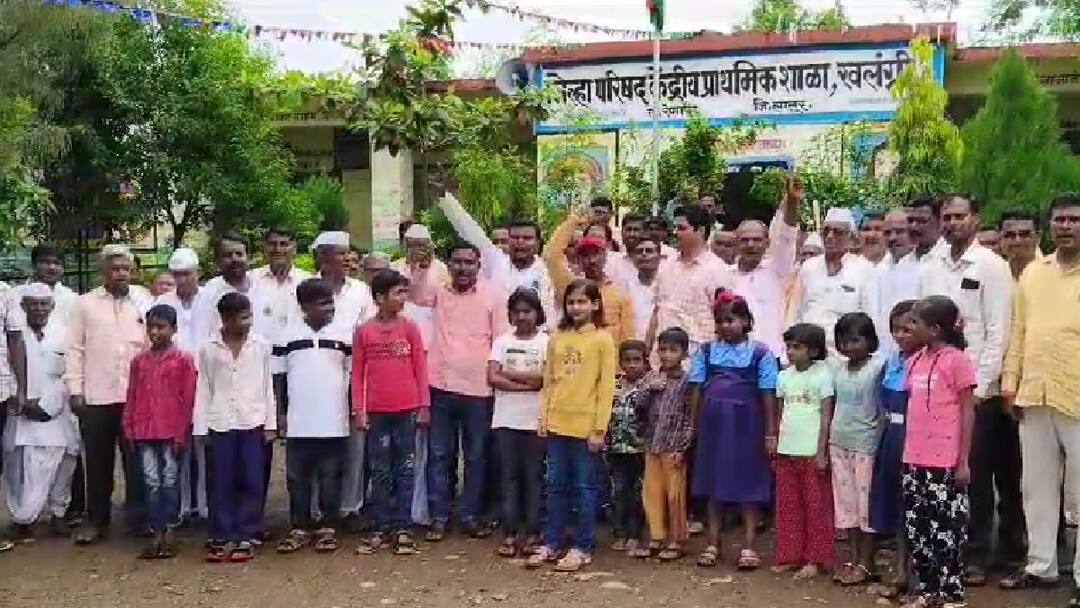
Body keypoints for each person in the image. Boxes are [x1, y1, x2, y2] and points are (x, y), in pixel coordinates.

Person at [918, 194, 1018, 584]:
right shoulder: (932, 265)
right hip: (935, 386)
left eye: (960, 216)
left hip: (976, 389)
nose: (952, 223)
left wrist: (980, 389)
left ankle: (977, 554)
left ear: (976, 219)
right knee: (939, 471)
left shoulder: (991, 266)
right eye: (947, 217)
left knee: (973, 473)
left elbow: (997, 331)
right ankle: (946, 548)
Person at [999, 194, 1080, 599]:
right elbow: (1019, 332)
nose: (1066, 227)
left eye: (1074, 220)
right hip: (1035, 391)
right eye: (1060, 220)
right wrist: (1010, 382)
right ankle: (1041, 565)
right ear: (1050, 226)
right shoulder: (1033, 273)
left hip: (1076, 394)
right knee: (1035, 487)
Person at [416, 242, 507, 541]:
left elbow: (500, 342)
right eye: (457, 262)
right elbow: (415, 295)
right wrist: (421, 265)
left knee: (476, 456)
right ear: (449, 264)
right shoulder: (438, 292)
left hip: (478, 389)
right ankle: (439, 517)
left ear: (479, 266)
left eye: (469, 262)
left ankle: (470, 515)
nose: (463, 268)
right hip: (440, 385)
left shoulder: (493, 296)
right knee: (439, 455)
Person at [526, 279, 615, 572]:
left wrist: (599, 429)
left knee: (584, 488)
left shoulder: (602, 339)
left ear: (595, 304)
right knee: (555, 486)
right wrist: (544, 417)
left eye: (582, 302)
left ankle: (583, 546)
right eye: (571, 302)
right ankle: (552, 542)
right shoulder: (557, 338)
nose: (576, 307)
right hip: (557, 424)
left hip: (585, 427)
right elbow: (549, 381)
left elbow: (605, 388)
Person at [689, 292, 778, 570]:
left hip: (747, 424)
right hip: (714, 425)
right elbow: (696, 389)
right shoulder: (706, 351)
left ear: (747, 321)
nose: (726, 326)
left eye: (732, 320)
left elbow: (768, 393)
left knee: (748, 482)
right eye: (720, 321)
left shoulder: (761, 352)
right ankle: (712, 543)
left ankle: (749, 545)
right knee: (713, 482)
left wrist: (770, 432)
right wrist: (693, 424)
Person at [65, 244, 146, 545]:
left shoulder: (143, 300)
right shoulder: (85, 304)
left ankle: (139, 520)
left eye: (126, 268)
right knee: (98, 463)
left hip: (135, 397)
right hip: (96, 397)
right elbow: (74, 348)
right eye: (115, 269)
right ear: (104, 271)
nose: (121, 273)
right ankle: (97, 521)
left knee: (136, 462)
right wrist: (75, 390)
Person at [903, 295, 977, 608]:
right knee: (918, 527)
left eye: (915, 322)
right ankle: (928, 589)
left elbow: (968, 411)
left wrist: (963, 461)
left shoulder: (956, 361)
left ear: (934, 329)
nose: (909, 327)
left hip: (944, 459)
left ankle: (951, 593)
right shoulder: (914, 360)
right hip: (913, 457)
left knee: (946, 528)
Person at [194, 293, 276, 563]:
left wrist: (271, 424)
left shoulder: (260, 345)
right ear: (226, 319)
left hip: (252, 421)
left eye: (249, 316)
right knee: (221, 480)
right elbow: (204, 387)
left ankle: (247, 533)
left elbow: (267, 387)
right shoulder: (209, 348)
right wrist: (201, 426)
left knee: (252, 478)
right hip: (220, 421)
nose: (248, 322)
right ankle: (222, 533)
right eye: (242, 318)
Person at [272, 278, 352, 555]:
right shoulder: (287, 335)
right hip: (299, 421)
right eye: (323, 303)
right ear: (304, 307)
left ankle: (329, 526)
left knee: (331, 476)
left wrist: (352, 410)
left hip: (334, 418)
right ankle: (300, 526)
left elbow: (351, 375)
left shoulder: (344, 334)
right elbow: (278, 378)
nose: (330, 308)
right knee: (297, 477)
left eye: (331, 302)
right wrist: (280, 414)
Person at [353, 269, 430, 556]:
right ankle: (381, 526)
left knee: (405, 468)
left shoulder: (410, 328)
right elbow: (357, 374)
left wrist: (424, 405)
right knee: (380, 469)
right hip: (377, 412)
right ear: (379, 298)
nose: (403, 298)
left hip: (406, 410)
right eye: (398, 293)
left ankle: (403, 527)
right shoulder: (364, 332)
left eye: (404, 292)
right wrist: (359, 410)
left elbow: (420, 369)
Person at [2, 284, 76, 543]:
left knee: (62, 466)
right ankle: (23, 519)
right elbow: (8, 368)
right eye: (33, 303)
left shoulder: (64, 334)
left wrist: (48, 405)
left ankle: (59, 513)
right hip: (21, 413)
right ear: (23, 306)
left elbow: (70, 373)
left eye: (44, 304)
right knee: (19, 470)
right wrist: (19, 397)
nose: (38, 308)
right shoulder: (14, 334)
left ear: (52, 306)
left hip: (57, 413)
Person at [123, 304, 197, 559]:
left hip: (171, 431)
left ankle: (171, 529)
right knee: (152, 482)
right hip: (145, 430)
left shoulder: (183, 360)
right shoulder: (139, 361)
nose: (155, 332)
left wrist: (180, 434)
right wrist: (129, 426)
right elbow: (132, 395)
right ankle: (156, 530)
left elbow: (187, 400)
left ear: (174, 329)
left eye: (161, 327)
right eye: (151, 327)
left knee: (170, 480)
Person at [311, 231, 373, 528]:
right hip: (315, 373)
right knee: (316, 443)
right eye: (341, 253)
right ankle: (315, 510)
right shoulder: (306, 288)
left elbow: (367, 331)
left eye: (349, 252)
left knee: (354, 444)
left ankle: (351, 507)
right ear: (323, 258)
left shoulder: (361, 291)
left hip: (352, 371)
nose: (348, 258)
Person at [487, 287, 548, 558]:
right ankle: (510, 533)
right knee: (509, 477)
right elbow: (492, 377)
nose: (522, 316)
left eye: (528, 311)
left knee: (533, 477)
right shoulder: (501, 342)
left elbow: (545, 378)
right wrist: (527, 383)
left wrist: (509, 374)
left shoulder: (547, 343)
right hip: (506, 420)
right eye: (517, 311)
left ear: (537, 313)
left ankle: (533, 532)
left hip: (535, 421)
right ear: (510, 315)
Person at [773, 323, 835, 580]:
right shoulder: (783, 377)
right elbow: (781, 413)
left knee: (815, 507)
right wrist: (778, 445)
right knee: (788, 506)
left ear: (814, 350)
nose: (790, 352)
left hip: (811, 452)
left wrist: (821, 452)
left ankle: (815, 559)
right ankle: (791, 555)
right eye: (788, 346)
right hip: (787, 450)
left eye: (796, 347)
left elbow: (826, 417)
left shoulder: (823, 375)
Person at [829, 312, 885, 586]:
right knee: (847, 506)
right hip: (839, 443)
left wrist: (878, 440)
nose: (848, 347)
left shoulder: (877, 369)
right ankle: (852, 559)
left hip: (866, 445)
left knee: (866, 508)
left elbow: (883, 411)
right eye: (843, 342)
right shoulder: (838, 370)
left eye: (855, 340)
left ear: (870, 341)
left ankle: (866, 562)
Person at [438, 192, 554, 323]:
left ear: (537, 242)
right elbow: (470, 231)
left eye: (527, 238)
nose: (520, 242)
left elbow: (550, 313)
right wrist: (445, 198)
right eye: (515, 237)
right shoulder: (496, 261)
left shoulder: (547, 271)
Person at [868, 300, 918, 599]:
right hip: (891, 437)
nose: (900, 335)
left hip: (917, 439)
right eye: (895, 330)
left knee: (915, 509)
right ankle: (899, 572)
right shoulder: (891, 363)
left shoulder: (927, 363)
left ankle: (919, 575)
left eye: (907, 329)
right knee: (897, 508)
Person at [153, 248, 205, 523]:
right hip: (172, 382)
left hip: (206, 380)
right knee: (177, 444)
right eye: (177, 274)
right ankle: (181, 506)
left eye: (187, 274)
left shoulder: (211, 298)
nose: (182, 279)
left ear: (198, 273)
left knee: (203, 445)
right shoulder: (163, 301)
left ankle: (204, 505)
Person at [638, 327, 694, 562]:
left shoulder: (687, 382)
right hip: (652, 444)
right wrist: (649, 389)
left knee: (675, 495)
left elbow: (690, 417)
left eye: (673, 350)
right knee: (652, 492)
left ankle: (677, 540)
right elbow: (638, 405)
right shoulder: (651, 377)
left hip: (673, 447)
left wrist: (683, 447)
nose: (667, 355)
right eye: (662, 350)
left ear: (684, 354)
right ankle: (657, 536)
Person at [730, 173, 800, 357]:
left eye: (757, 240)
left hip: (770, 356)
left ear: (767, 243)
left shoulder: (777, 269)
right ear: (736, 244)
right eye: (745, 240)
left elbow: (786, 236)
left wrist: (792, 202)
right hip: (734, 357)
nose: (751, 245)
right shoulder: (725, 276)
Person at [650, 204, 733, 359]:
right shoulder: (666, 265)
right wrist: (647, 352)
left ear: (700, 230)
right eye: (675, 228)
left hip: (698, 358)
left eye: (681, 228)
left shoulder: (717, 270)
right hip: (661, 358)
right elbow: (656, 311)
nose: (675, 233)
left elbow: (725, 318)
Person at [794, 208, 875, 353]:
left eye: (838, 232)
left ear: (851, 238)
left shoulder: (864, 269)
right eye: (826, 231)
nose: (830, 236)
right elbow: (797, 312)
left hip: (846, 354)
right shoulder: (809, 267)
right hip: (810, 353)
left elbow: (870, 317)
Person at [545, 213, 635, 345]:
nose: (592, 260)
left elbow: (629, 341)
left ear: (605, 256)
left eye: (596, 254)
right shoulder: (571, 287)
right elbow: (551, 256)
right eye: (585, 255)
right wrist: (573, 221)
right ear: (578, 259)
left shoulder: (620, 294)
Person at [608, 339, 649, 556]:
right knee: (619, 490)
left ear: (645, 361)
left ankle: (635, 534)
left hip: (640, 448)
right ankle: (620, 532)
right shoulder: (613, 386)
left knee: (638, 492)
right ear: (620, 362)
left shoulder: (649, 386)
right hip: (617, 448)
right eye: (627, 360)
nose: (632, 365)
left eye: (637, 360)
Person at [250, 227, 312, 347]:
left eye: (284, 244)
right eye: (272, 244)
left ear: (294, 248)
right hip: (257, 353)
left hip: (297, 352)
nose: (278, 249)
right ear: (264, 247)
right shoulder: (250, 280)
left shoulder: (308, 281)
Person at [872, 210, 919, 348]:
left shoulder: (925, 267)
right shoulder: (878, 270)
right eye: (887, 233)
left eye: (899, 232)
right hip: (882, 349)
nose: (892, 238)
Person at [15, 244, 78, 325]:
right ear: (33, 265)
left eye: (57, 263)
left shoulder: (72, 299)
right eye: (46, 262)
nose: (52, 267)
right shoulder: (15, 296)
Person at [392, 223, 451, 288]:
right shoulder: (396, 267)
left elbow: (446, 290)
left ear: (429, 247)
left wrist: (425, 266)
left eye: (420, 245)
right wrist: (412, 267)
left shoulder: (440, 267)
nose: (416, 249)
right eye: (412, 245)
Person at [623, 238, 660, 341]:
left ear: (659, 256)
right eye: (639, 251)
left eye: (649, 251)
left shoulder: (666, 285)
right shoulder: (625, 287)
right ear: (633, 258)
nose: (644, 254)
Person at [999, 208, 1042, 280]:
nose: (1017, 241)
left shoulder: (1052, 270)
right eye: (1010, 235)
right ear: (1000, 238)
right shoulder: (994, 273)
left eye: (1024, 234)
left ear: (1038, 237)